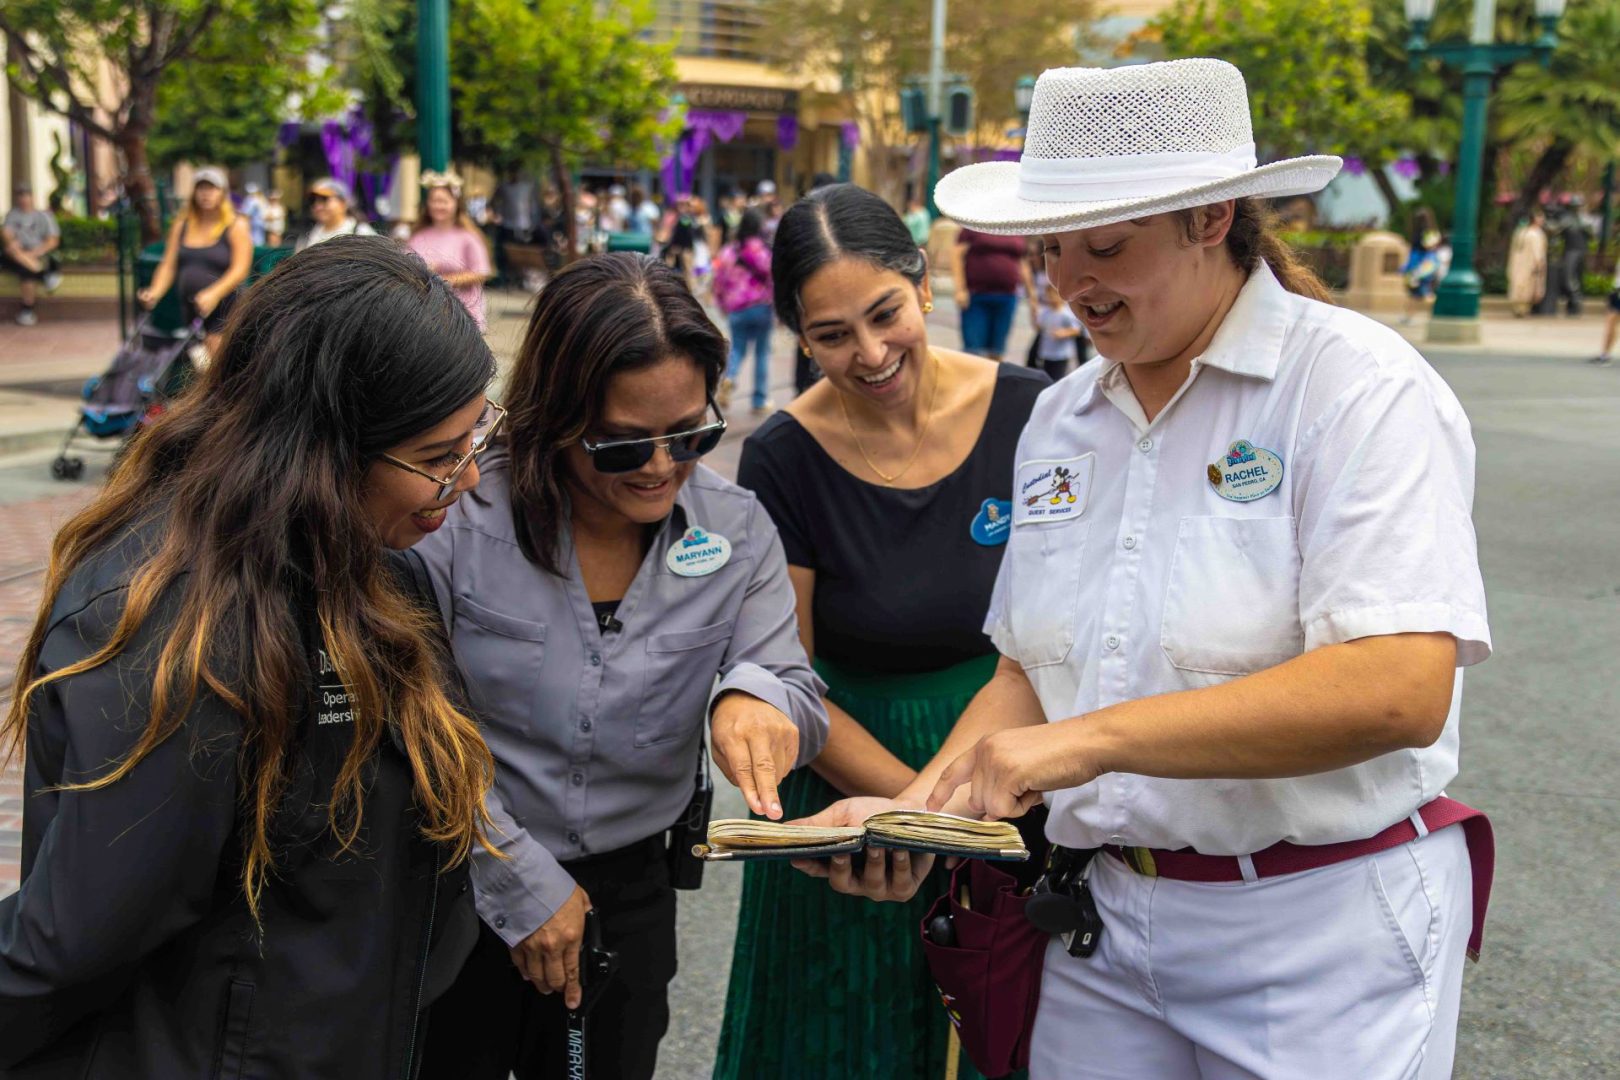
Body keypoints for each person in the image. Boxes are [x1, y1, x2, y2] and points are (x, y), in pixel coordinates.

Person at [802, 60, 1493, 1080]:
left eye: (1109, 244)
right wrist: (919, 812)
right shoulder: (1062, 416)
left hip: (1317, 924)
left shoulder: (1356, 387)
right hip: (1103, 920)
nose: (1070, 281)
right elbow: (1029, 673)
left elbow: (1399, 688)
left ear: (1213, 220)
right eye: (1051, 247)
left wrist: (1082, 748)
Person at [0, 237, 501, 1076]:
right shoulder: (176, 626)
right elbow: (77, 936)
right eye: (439, 458)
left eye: (475, 437)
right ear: (320, 451)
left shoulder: (372, 570)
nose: (471, 479)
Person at [415, 252, 828, 1080]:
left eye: (691, 435)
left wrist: (752, 700)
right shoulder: (460, 515)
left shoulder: (735, 527)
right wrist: (518, 881)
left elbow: (793, 683)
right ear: (559, 417)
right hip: (458, 876)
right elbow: (409, 717)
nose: (659, 467)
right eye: (621, 446)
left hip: (631, 895)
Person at [713, 183, 1049, 1080]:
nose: (867, 354)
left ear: (925, 284)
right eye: (830, 335)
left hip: (1007, 774)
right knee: (838, 1041)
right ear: (796, 333)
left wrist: (957, 813)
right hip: (851, 799)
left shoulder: (1034, 411)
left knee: (999, 1023)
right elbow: (791, 669)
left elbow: (1062, 633)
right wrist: (916, 811)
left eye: (884, 313)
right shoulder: (782, 455)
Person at [136, 167, 253, 357]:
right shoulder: (182, 224)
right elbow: (168, 264)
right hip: (192, 309)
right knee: (198, 363)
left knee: (216, 361)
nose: (206, 194)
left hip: (224, 307)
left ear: (222, 192)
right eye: (201, 188)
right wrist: (154, 292)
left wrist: (214, 293)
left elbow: (240, 269)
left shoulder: (236, 225)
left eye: (212, 188)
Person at [409, 170, 494, 329]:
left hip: (462, 311)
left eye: (444, 201)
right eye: (434, 201)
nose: (438, 206)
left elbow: (482, 271)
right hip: (425, 310)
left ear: (456, 203)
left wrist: (445, 280)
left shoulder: (468, 237)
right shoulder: (417, 236)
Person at [712, 210, 778, 414]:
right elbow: (773, 275)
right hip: (760, 306)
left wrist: (722, 305)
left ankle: (729, 378)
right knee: (761, 353)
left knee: (737, 348)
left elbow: (718, 281)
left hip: (735, 309)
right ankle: (759, 401)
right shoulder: (760, 250)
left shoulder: (729, 251)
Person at [951, 223, 1036, 360]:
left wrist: (1032, 293)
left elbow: (1022, 263)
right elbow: (957, 255)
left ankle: (993, 380)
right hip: (976, 295)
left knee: (998, 349)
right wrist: (960, 289)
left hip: (1008, 296)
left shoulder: (1016, 228)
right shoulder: (974, 225)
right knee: (973, 349)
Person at [2, 184, 62, 327]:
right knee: (12, 250)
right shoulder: (12, 215)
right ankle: (43, 275)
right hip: (17, 254)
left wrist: (35, 253)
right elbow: (7, 234)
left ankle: (27, 311)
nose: (24, 199)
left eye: (26, 195)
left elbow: (53, 240)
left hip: (36, 254)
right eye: (20, 196)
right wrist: (13, 243)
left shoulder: (44, 216)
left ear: (32, 197)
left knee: (27, 271)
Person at [297, 176, 376, 251]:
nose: (318, 206)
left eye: (324, 199)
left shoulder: (360, 232)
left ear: (343, 203)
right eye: (312, 200)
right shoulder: (307, 235)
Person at [1033, 281, 1084, 382]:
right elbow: (1039, 327)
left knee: (1058, 379)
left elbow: (1077, 330)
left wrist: (1063, 333)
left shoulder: (1066, 313)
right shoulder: (1045, 312)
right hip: (1047, 352)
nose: (1051, 298)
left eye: (1053, 295)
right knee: (1046, 379)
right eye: (1048, 295)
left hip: (1061, 354)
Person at [1400, 208, 1441, 325]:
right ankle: (1434, 314)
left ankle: (1409, 316)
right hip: (1426, 266)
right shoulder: (1431, 233)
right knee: (1422, 293)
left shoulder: (1415, 234)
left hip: (1414, 266)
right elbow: (1431, 248)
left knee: (1416, 294)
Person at [1506, 208, 1548, 317]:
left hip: (1518, 263)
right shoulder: (1535, 234)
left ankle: (1518, 308)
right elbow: (1538, 252)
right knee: (1527, 286)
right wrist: (1539, 264)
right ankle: (1522, 309)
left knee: (1518, 284)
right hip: (1529, 264)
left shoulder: (1520, 232)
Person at [1555, 199, 1589, 317]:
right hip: (1572, 250)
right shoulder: (1568, 219)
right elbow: (1556, 231)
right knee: (1569, 278)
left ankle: (1575, 302)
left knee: (1571, 278)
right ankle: (1573, 302)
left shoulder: (1581, 220)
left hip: (1575, 252)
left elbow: (1591, 233)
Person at [1590, 256, 1620, 365]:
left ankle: (1605, 354)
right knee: (1611, 322)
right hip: (1616, 290)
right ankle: (1605, 354)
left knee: (1611, 321)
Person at [241, 181, 269, 246]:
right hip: (260, 223)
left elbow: (247, 212)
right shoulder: (261, 199)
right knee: (259, 240)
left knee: (255, 241)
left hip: (254, 223)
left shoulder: (252, 200)